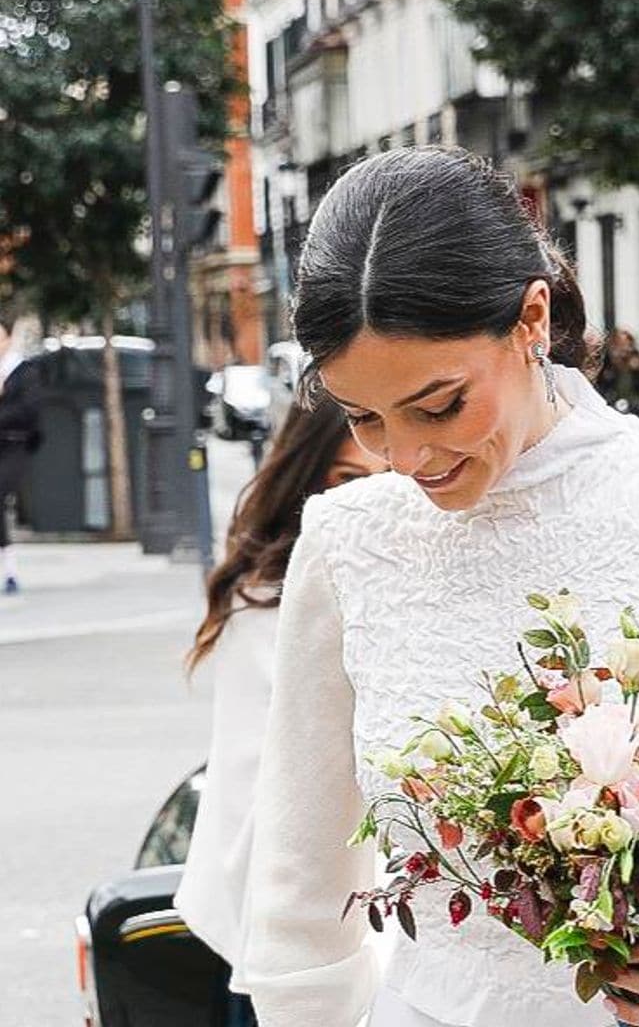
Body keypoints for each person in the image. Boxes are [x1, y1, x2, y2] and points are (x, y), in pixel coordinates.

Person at [237, 147, 639, 1027]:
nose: (408, 458)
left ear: (531, 318)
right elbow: (299, 898)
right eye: (365, 418)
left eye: (440, 405)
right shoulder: (346, 543)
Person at [174, 400, 387, 1025]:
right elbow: (264, 787)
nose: (369, 504)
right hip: (282, 915)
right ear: (309, 478)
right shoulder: (267, 600)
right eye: (348, 481)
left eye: (388, 480)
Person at [0, 309, 42, 595]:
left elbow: (28, 412)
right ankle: (9, 570)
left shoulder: (24, 372)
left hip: (14, 445)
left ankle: (10, 568)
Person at [596, 327, 639, 415]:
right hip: (614, 397)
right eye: (621, 342)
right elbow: (604, 377)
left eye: (627, 343)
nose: (624, 346)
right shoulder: (610, 356)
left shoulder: (634, 354)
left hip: (632, 397)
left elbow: (638, 373)